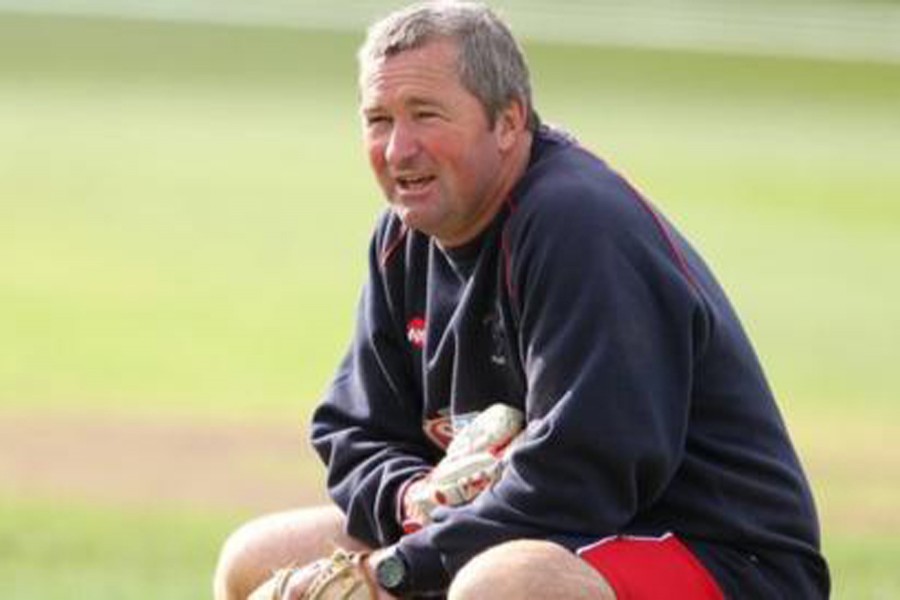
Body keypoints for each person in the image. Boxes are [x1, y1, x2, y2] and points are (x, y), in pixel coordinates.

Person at [214, 2, 830, 598]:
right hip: (538, 531)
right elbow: (354, 429)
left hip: (717, 554)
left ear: (509, 122)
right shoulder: (404, 237)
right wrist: (411, 498)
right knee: (256, 560)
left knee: (503, 587)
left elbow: (585, 476)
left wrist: (400, 568)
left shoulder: (577, 222)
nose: (398, 149)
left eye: (425, 114)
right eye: (379, 120)